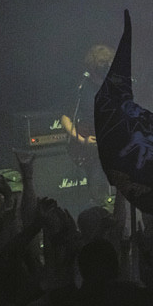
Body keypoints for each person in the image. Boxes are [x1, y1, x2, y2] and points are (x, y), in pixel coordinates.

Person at [59, 44, 114, 207]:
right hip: (90, 147)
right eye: (103, 63)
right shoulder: (81, 87)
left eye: (108, 63)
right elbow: (65, 118)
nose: (107, 66)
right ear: (94, 65)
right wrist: (82, 140)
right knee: (97, 191)